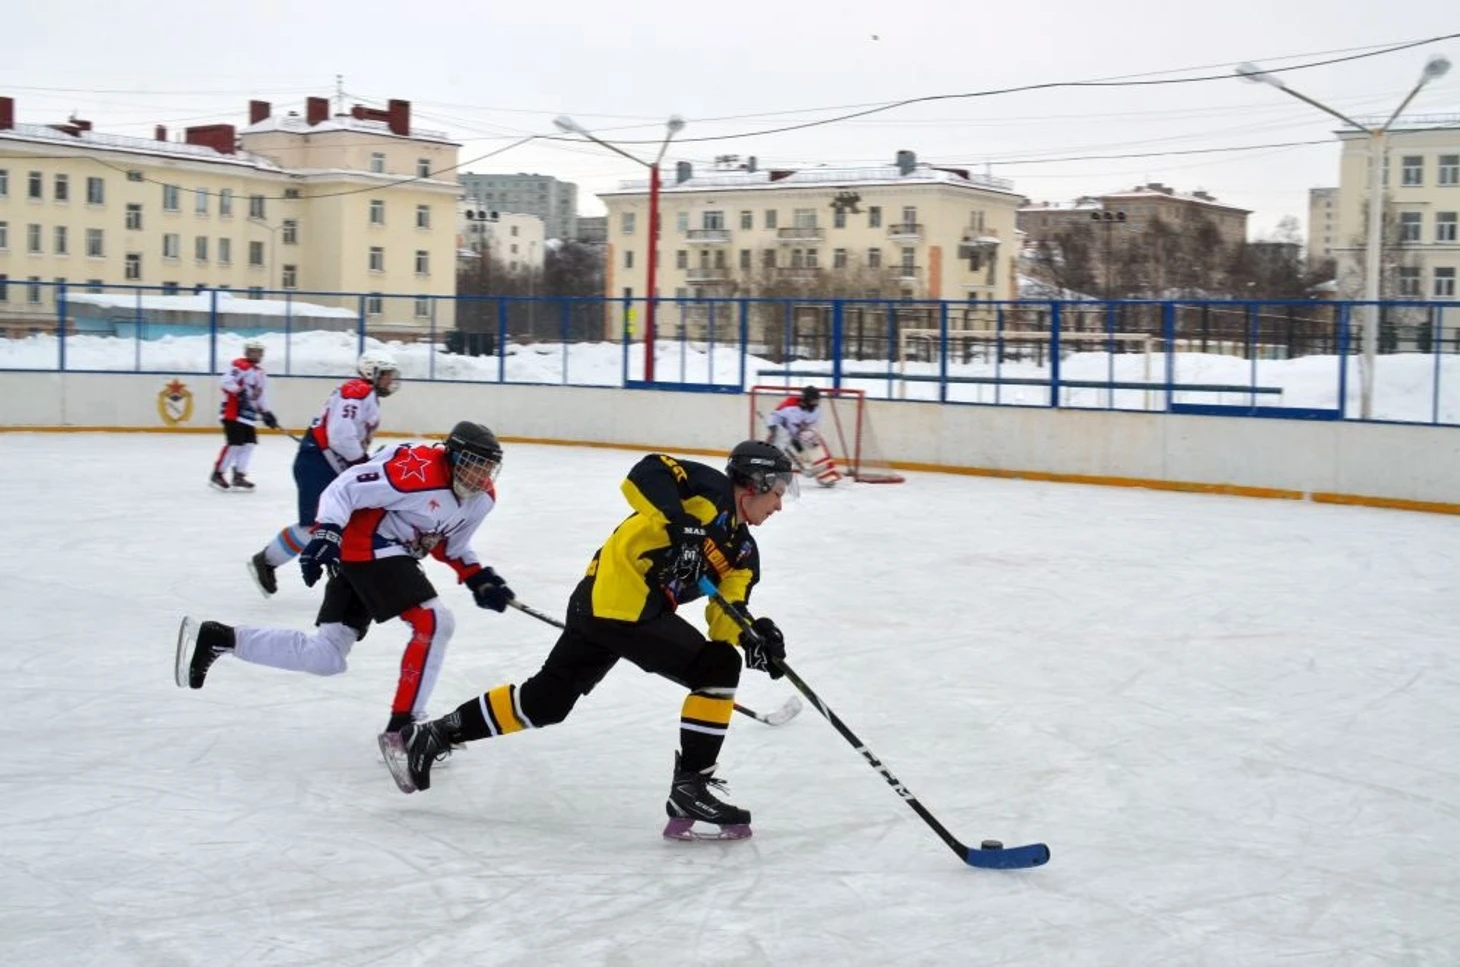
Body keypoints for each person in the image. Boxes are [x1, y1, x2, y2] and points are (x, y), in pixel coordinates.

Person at [381, 440, 794, 843]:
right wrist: (679, 521)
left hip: (610, 609)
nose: (778, 505)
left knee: (546, 702)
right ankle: (691, 790)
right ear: (754, 483)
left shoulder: (742, 552)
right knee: (716, 668)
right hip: (619, 599)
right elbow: (646, 472)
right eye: (776, 493)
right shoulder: (710, 489)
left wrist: (753, 637)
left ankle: (432, 736)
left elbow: (727, 612)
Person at [175, 421, 517, 738]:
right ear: (453, 455)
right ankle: (403, 730)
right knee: (434, 621)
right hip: (366, 545)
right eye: (475, 463)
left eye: (488, 467)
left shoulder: (481, 500)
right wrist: (328, 532)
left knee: (326, 656)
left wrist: (478, 577)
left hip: (377, 557)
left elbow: (449, 544)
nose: (481, 475)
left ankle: (221, 638)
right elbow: (345, 488)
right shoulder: (417, 470)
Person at [247, 350, 402, 597]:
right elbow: (340, 435)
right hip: (318, 465)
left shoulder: (363, 393)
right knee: (315, 526)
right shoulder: (358, 391)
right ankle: (266, 561)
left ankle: (346, 579)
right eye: (385, 374)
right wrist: (361, 463)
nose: (389, 380)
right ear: (372, 373)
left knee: (343, 522)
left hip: (324, 463)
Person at [211, 338, 280, 492]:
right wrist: (239, 391)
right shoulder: (240, 365)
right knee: (235, 444)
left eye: (259, 351)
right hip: (233, 412)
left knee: (249, 444)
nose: (256, 354)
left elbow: (260, 396)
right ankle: (218, 473)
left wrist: (267, 412)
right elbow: (225, 381)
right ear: (247, 352)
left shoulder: (261, 373)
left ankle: (239, 475)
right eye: (253, 351)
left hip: (248, 416)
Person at [764, 385, 839, 487]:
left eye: (817, 401)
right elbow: (774, 415)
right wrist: (773, 426)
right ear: (806, 399)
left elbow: (815, 426)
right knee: (779, 446)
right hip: (785, 432)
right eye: (813, 400)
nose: (816, 403)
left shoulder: (817, 411)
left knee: (815, 444)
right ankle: (767, 474)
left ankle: (826, 476)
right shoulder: (790, 404)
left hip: (800, 435)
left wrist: (809, 434)